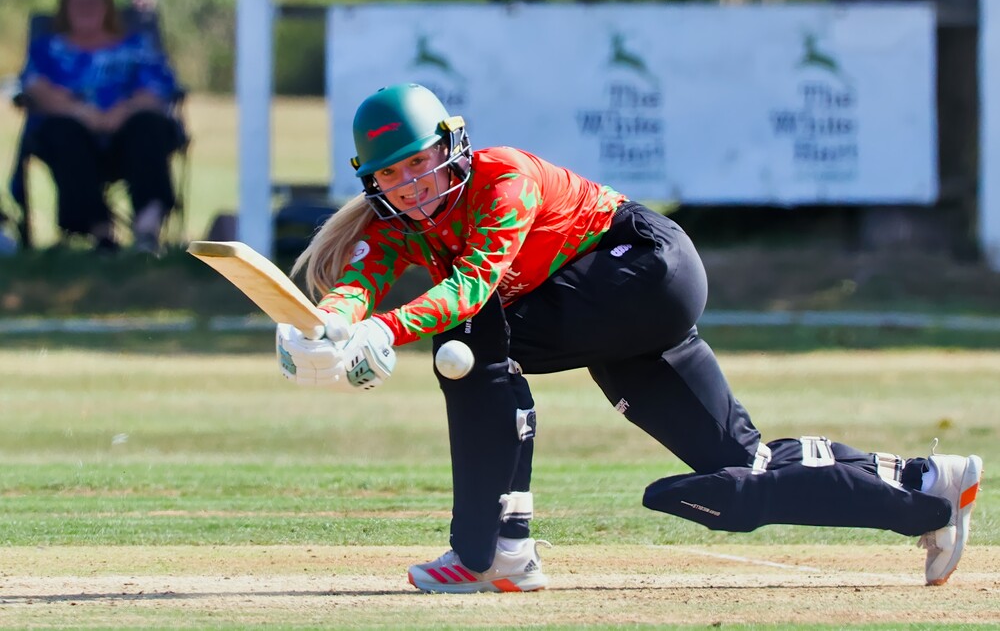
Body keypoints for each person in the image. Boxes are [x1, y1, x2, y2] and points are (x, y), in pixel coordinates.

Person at [277, 83, 983, 594]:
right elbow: (356, 284)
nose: (411, 185)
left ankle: (493, 549)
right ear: (372, 180)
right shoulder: (393, 222)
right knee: (744, 467)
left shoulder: (503, 178)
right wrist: (331, 327)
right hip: (610, 314)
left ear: (451, 145)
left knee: (468, 342)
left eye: (420, 161)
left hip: (644, 269)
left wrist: (383, 331)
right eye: (392, 173)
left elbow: (471, 287)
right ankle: (926, 488)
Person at [18, 0, 181, 253]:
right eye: (78, 2)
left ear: (107, 6)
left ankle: (147, 228)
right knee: (62, 131)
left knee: (148, 126)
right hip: (73, 135)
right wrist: (82, 113)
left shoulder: (137, 45)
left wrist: (122, 111)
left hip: (128, 130)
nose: (86, 9)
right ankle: (100, 233)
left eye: (93, 1)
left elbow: (159, 87)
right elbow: (34, 87)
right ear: (65, 7)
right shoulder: (47, 49)